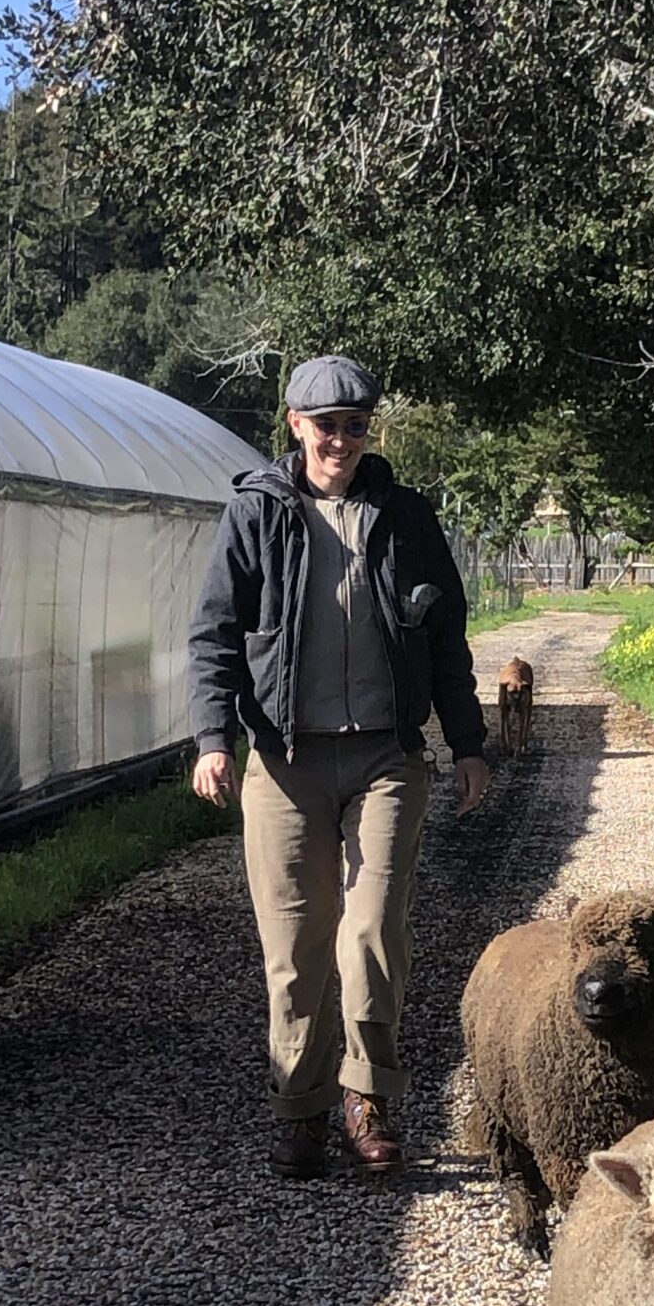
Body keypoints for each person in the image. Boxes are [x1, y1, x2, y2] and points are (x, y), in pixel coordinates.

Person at [189, 354, 490, 1177]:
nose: (342, 440)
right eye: (326, 424)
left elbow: (445, 643)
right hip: (284, 763)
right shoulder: (257, 514)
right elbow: (214, 634)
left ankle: (368, 1095)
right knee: (293, 949)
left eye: (356, 425)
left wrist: (468, 744)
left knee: (372, 931)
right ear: (295, 424)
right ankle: (301, 1106)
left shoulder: (405, 518)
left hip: (386, 758)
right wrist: (213, 738)